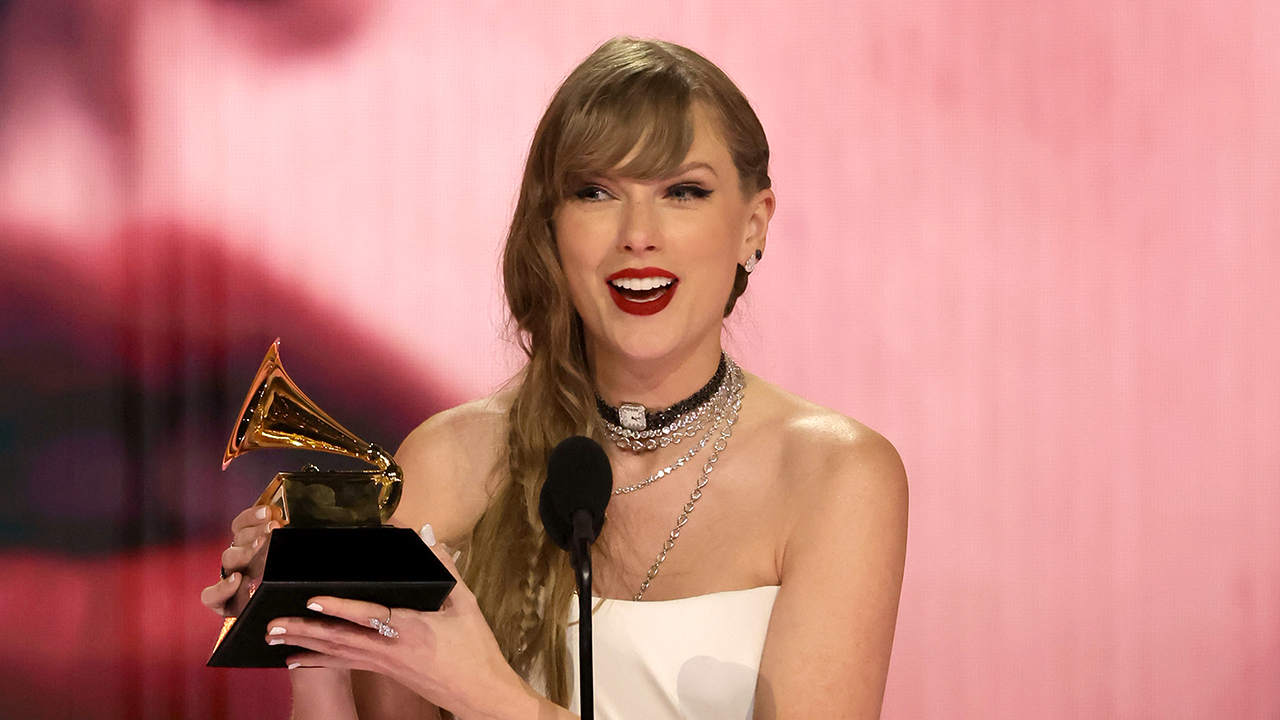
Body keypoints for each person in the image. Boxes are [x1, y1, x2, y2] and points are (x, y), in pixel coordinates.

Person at [202, 37, 908, 719]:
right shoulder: (451, 460)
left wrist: (492, 700)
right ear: (550, 225)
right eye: (596, 192)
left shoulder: (837, 476)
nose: (638, 233)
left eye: (683, 192)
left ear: (754, 225)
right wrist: (306, 627)